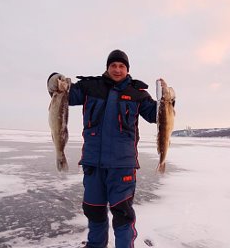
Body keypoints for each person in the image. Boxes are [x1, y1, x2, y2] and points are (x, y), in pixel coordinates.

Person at [47, 50, 166, 248]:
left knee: (123, 216)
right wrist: (53, 80)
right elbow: (63, 94)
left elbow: (158, 115)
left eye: (121, 66)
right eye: (113, 66)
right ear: (107, 67)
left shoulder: (138, 94)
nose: (117, 69)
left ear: (127, 69)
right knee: (94, 212)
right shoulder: (90, 87)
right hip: (93, 166)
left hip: (122, 167)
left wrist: (168, 100)